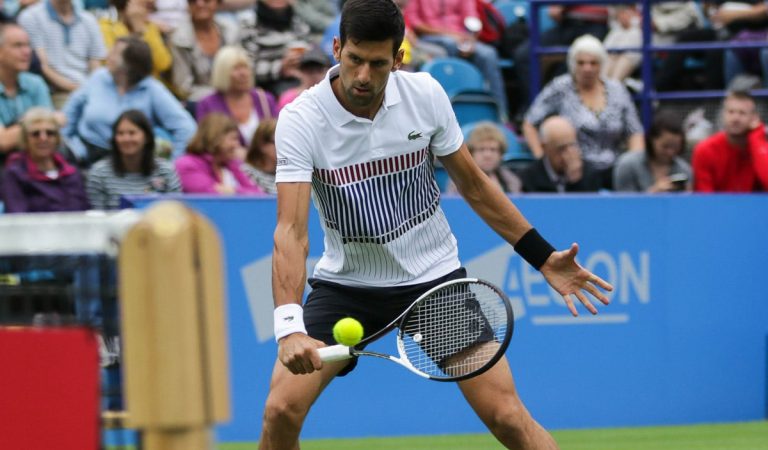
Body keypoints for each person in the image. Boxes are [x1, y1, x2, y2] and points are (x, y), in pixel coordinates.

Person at [260, 1, 613, 449]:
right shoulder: (301, 119)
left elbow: (475, 186)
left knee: (507, 416)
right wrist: (289, 325)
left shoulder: (424, 96)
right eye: (354, 59)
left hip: (433, 282)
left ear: (398, 59)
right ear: (336, 49)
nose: (363, 75)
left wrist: (542, 257)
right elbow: (291, 232)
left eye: (377, 63)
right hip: (348, 286)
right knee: (281, 411)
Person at [522, 34, 644, 185]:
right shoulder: (560, 87)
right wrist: (543, 161)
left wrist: (632, 163)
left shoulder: (617, 89)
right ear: (572, 64)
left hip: (615, 167)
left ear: (602, 65)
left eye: (593, 63)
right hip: (574, 170)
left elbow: (635, 132)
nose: (587, 68)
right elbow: (529, 123)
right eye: (581, 63)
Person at [61, 36, 196, 164]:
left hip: (130, 163)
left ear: (131, 63)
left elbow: (186, 128)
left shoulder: (152, 90)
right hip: (85, 154)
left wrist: (174, 164)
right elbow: (70, 112)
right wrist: (66, 142)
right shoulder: (98, 78)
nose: (107, 55)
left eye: (115, 53)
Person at [403, 0, 509, 117]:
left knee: (489, 54)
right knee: (449, 44)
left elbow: (471, 17)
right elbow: (415, 23)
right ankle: (450, 111)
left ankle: (500, 113)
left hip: (462, 38)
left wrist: (471, 40)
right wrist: (450, 35)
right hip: (431, 38)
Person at [17, 0, 107, 109]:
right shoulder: (31, 17)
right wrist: (81, 90)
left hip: (87, 91)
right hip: (55, 92)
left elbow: (95, 66)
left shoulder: (89, 20)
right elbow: (43, 67)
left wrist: (91, 91)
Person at [87, 109, 182, 209]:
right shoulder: (99, 173)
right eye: (120, 133)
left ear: (147, 137)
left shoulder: (165, 171)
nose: (126, 139)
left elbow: (175, 212)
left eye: (132, 133)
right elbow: (96, 215)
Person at [2, 107, 89, 212]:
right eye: (35, 134)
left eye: (50, 133)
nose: (43, 138)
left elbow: (84, 212)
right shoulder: (15, 174)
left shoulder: (72, 173)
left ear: (57, 138)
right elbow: (17, 215)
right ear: (25, 139)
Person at [0, 22, 56, 172]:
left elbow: (50, 129)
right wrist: (37, 124)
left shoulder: (35, 83)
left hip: (35, 159)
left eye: (28, 45)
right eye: (18, 46)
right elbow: (2, 142)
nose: (27, 52)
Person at [196, 45, 278, 148]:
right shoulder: (207, 104)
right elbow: (205, 143)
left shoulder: (265, 99)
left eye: (246, 67)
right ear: (222, 73)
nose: (243, 73)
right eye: (236, 68)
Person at [691, 90, 768, 192]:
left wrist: (757, 135)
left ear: (754, 118)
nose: (735, 118)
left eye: (742, 113)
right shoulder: (704, 150)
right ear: (723, 115)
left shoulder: (761, 147)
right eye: (731, 112)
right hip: (717, 203)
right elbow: (704, 196)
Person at [168, 0, 241, 103]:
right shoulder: (179, 39)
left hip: (235, 94)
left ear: (217, 3)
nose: (200, 4)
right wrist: (219, 97)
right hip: (201, 102)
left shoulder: (230, 29)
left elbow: (241, 68)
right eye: (193, 1)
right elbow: (183, 87)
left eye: (206, 0)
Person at [175, 112, 264, 194]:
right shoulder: (187, 164)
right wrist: (234, 192)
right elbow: (209, 194)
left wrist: (233, 191)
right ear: (215, 138)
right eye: (233, 139)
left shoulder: (233, 165)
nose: (237, 144)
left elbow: (258, 194)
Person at [238, 0, 312, 96]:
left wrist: (303, 66)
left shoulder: (298, 21)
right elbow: (246, 67)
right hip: (266, 86)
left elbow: (310, 48)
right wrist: (280, 67)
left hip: (301, 77)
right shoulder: (248, 24)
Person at [613, 110, 692, 193]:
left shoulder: (684, 170)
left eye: (675, 147)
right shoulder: (627, 164)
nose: (670, 152)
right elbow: (624, 200)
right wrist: (653, 193)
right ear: (652, 140)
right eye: (665, 146)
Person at [519, 115, 603, 193]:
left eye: (572, 146)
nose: (568, 155)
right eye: (561, 149)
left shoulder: (589, 174)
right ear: (544, 148)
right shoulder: (528, 178)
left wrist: (577, 182)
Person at [98, 0, 173, 81]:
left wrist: (140, 29)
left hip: (148, 84)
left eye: (150, 8)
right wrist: (137, 34)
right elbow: (116, 65)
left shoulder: (149, 27)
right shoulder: (106, 27)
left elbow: (163, 64)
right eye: (146, 6)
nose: (148, 12)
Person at [444, 121, 521, 195]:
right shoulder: (458, 181)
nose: (487, 155)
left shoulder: (512, 181)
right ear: (471, 153)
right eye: (481, 149)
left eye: (493, 149)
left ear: (501, 154)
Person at [276, 44, 329, 110]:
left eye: (319, 70)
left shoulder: (330, 96)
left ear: (326, 71)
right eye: (309, 70)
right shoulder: (288, 98)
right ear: (299, 72)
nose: (314, 75)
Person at [602, 5, 641, 82]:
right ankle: (602, 84)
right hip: (613, 57)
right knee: (608, 60)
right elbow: (606, 47)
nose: (623, 17)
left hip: (628, 58)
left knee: (624, 60)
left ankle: (614, 86)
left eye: (626, 14)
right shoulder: (616, 30)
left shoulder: (637, 31)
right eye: (621, 14)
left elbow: (632, 54)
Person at [242, 117, 277, 193]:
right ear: (263, 145)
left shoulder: (288, 174)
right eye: (278, 142)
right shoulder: (246, 174)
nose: (285, 148)